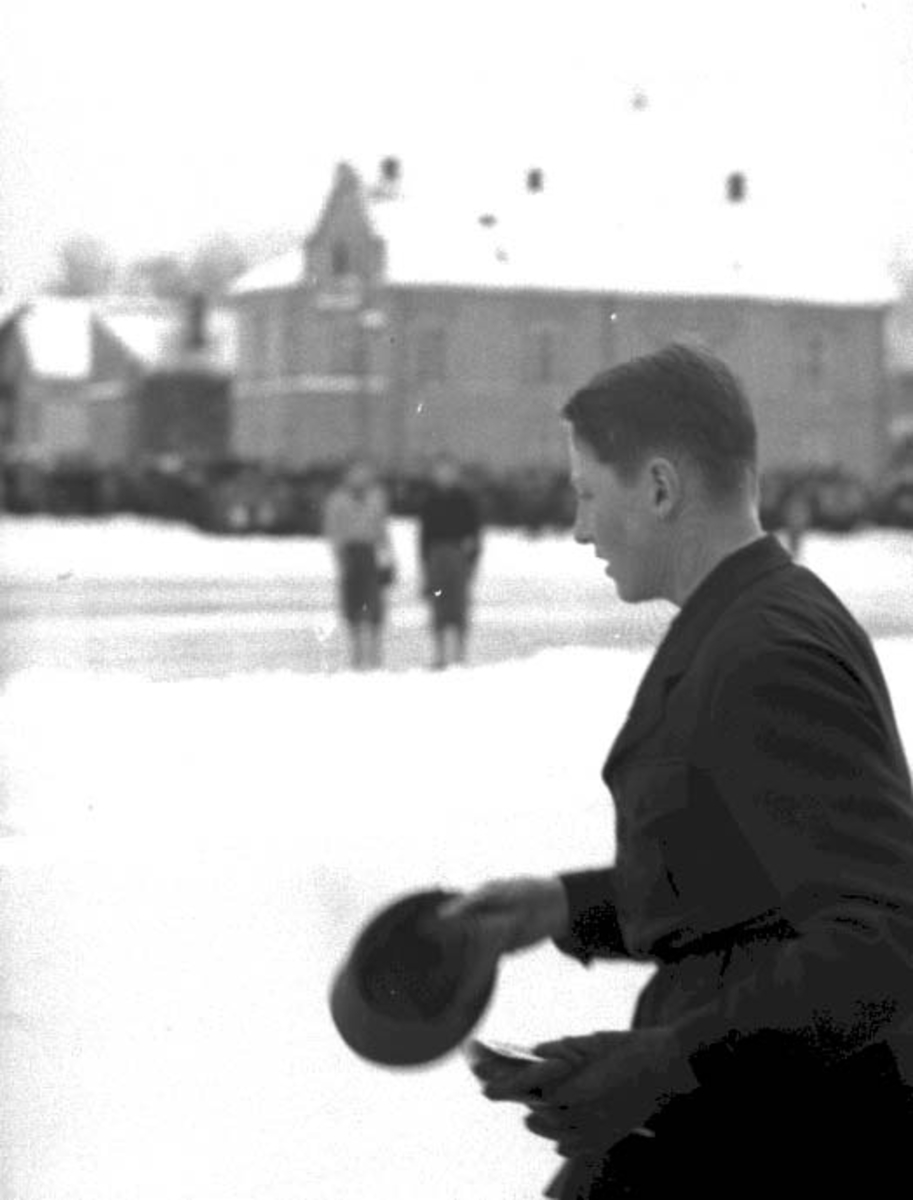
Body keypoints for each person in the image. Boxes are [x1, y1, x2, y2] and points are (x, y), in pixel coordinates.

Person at [441, 343, 913, 1198]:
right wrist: (565, 906)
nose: (581, 528)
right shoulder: (749, 621)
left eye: (588, 493)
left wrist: (666, 1063)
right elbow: (742, 882)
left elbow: (877, 939)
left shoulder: (766, 652)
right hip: (741, 1123)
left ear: (659, 489)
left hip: (786, 1143)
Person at [323, 460, 394, 670]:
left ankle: (375, 655)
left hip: (371, 553)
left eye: (363, 472)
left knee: (375, 605)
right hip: (350, 553)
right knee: (352, 605)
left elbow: (383, 529)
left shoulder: (377, 497)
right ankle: (356, 655)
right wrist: (340, 557)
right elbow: (333, 530)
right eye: (355, 472)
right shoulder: (337, 500)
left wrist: (387, 557)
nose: (359, 477)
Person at [417, 454, 482, 669]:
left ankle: (460, 654)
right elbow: (423, 537)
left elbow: (475, 533)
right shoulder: (430, 501)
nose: (445, 476)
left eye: (449, 471)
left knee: (459, 606)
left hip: (458, 556)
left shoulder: (464, 500)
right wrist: (425, 564)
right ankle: (440, 654)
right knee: (439, 606)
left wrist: (472, 560)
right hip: (437, 557)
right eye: (441, 472)